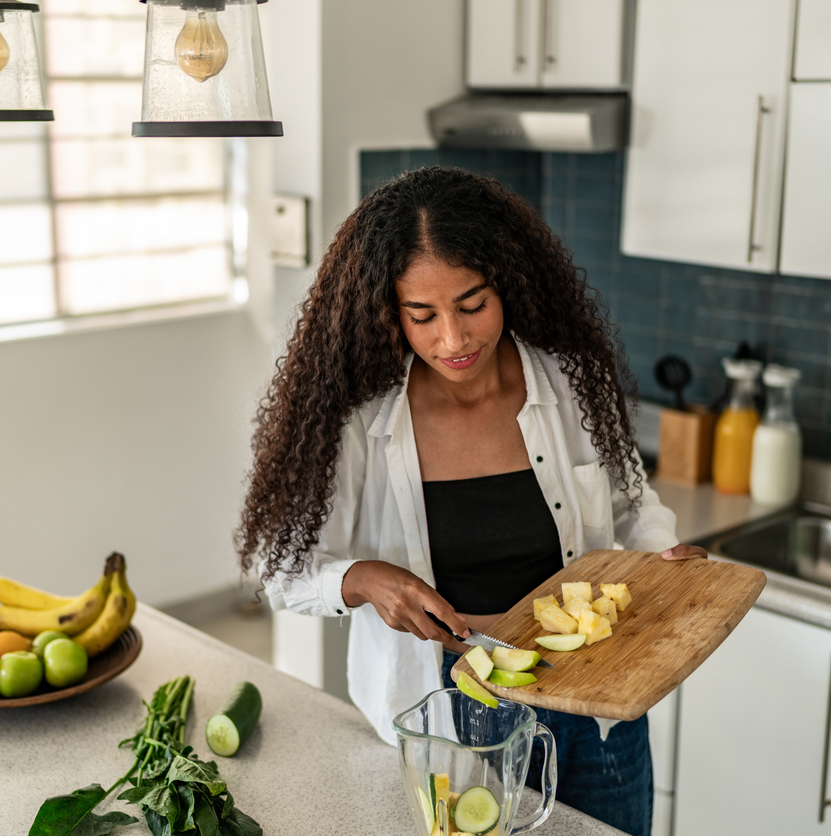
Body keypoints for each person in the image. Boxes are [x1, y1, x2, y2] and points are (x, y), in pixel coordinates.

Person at [236, 166, 706, 835]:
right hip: (453, 708)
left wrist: (662, 555)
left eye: (473, 304)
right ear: (386, 311)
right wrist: (364, 580)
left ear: (506, 284)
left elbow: (633, 503)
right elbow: (283, 569)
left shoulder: (572, 378)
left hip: (596, 701)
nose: (453, 340)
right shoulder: (357, 420)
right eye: (422, 315)